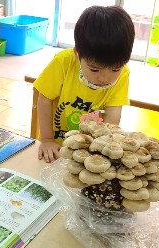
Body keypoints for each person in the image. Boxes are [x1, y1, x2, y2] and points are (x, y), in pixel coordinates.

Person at [34, 5, 135, 163]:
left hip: (89, 151)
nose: (104, 78)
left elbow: (113, 112)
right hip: (55, 146)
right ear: (77, 54)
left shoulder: (124, 74)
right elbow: (44, 99)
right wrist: (46, 139)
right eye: (94, 69)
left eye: (115, 69)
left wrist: (104, 146)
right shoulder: (64, 62)